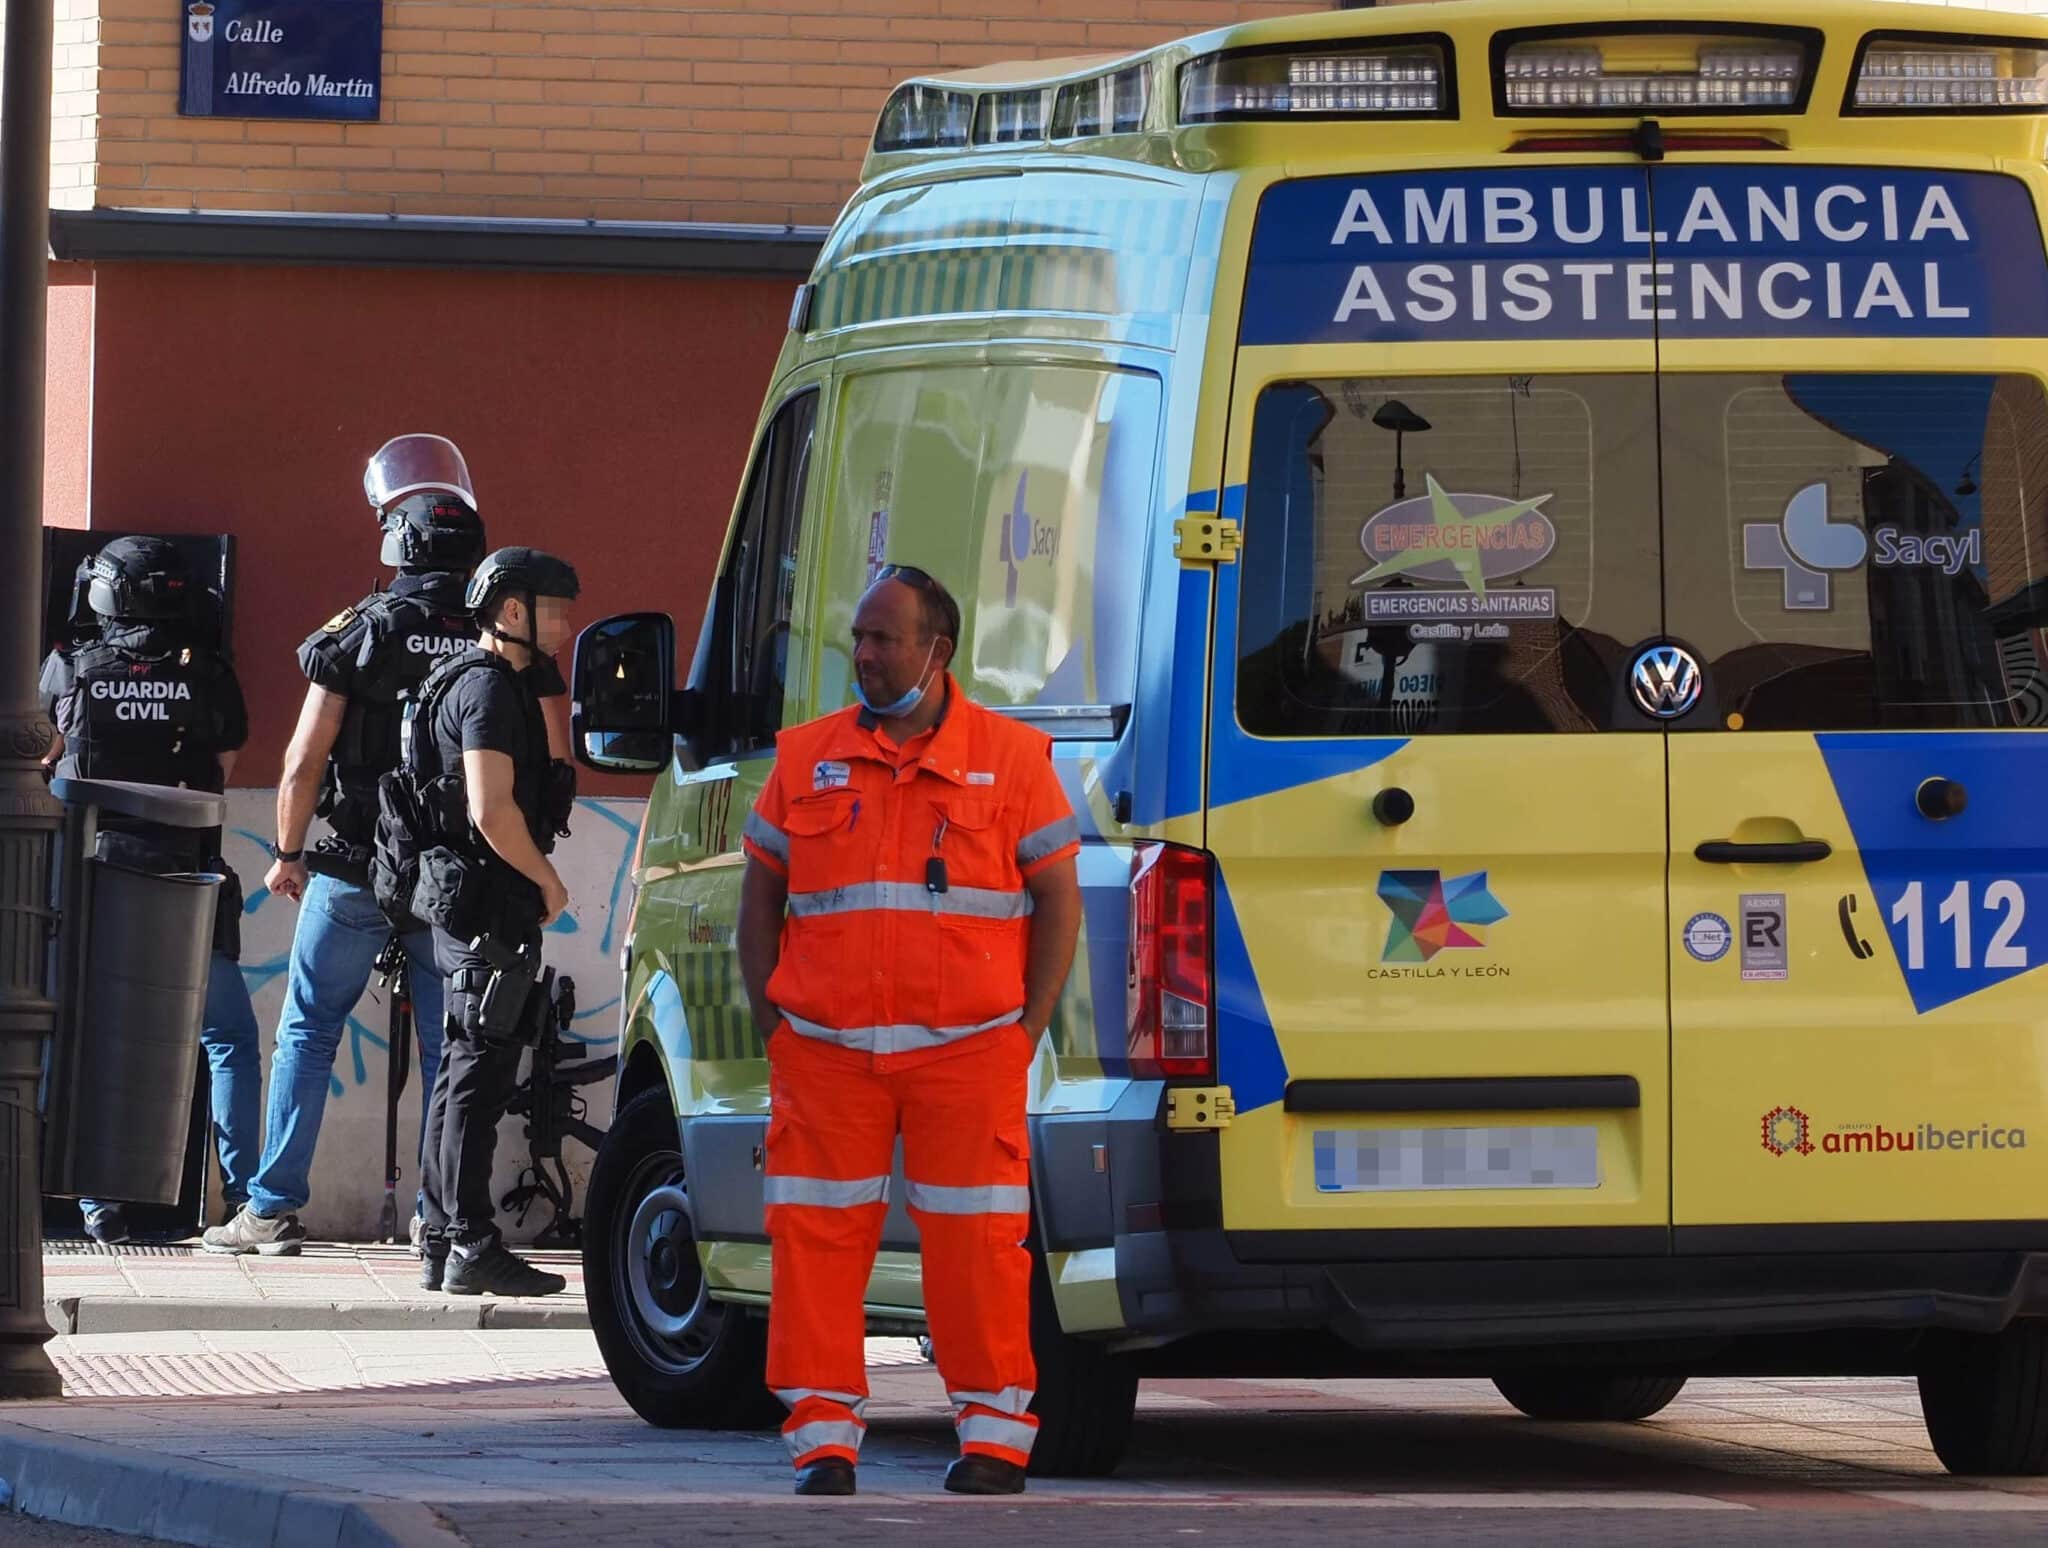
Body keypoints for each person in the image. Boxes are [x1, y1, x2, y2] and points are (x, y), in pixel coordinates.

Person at [737, 564, 1084, 1497]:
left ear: (939, 651)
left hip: (969, 1053)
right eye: (859, 637)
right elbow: (761, 890)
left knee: (977, 1250)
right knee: (813, 1244)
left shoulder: (1012, 760)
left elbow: (1058, 898)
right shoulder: (807, 755)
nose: (864, 654)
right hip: (826, 1054)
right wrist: (776, 1021)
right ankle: (822, 1442)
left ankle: (994, 1439)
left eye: (884, 639)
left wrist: (1025, 1030)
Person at [203, 435, 484, 1254]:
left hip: (357, 865)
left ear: (394, 544)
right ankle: (442, 1216)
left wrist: (288, 852)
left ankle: (271, 1209)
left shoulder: (360, 629)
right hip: (453, 877)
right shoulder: (496, 636)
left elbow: (302, 759)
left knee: (309, 1030)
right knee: (450, 1046)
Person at [39, 537, 261, 1246]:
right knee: (227, 1040)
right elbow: (223, 764)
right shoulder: (209, 673)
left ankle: (99, 1206)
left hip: (93, 879)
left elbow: (40, 755)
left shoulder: (69, 667)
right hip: (187, 878)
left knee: (93, 1035)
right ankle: (251, 1199)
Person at [409, 546, 580, 1297]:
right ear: (513, 610)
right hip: (491, 898)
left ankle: (445, 1239)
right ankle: (470, 1240)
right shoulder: (484, 691)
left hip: (467, 900)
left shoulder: (464, 680)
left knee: (461, 1066)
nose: (568, 624)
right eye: (556, 608)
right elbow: (489, 807)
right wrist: (547, 880)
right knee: (479, 1071)